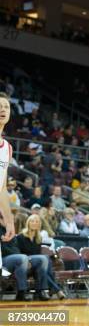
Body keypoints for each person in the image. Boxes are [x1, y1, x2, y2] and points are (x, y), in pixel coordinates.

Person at [0, 93, 16, 272]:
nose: (2, 109)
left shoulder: (7, 148)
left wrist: (9, 221)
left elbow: (1, 188)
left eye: (6, 106)